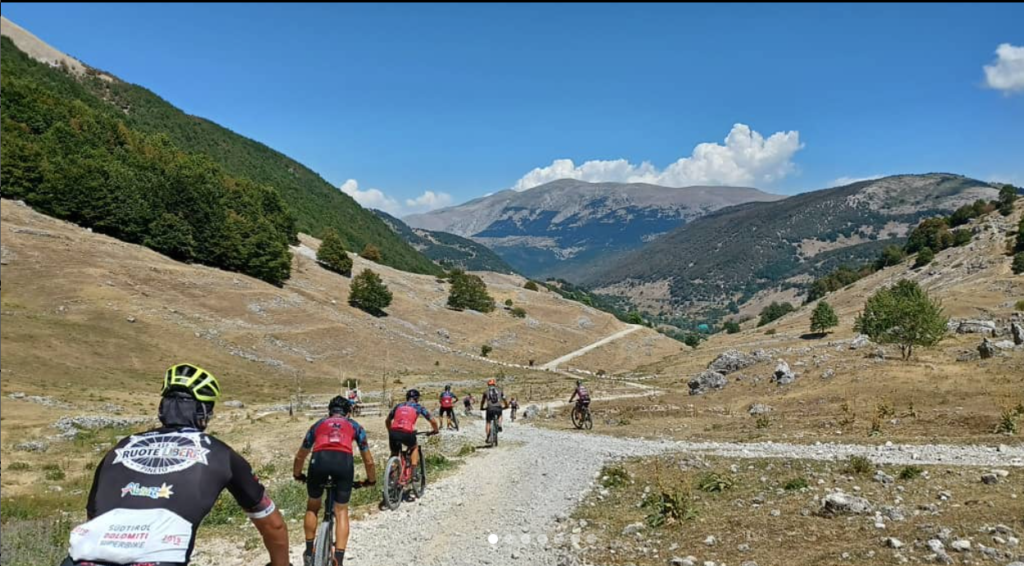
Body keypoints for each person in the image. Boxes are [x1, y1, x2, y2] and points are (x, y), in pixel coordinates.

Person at [61, 363, 290, 566]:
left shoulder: (120, 447)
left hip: (84, 556)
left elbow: (95, 514)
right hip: (158, 556)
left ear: (162, 407)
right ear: (203, 412)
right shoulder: (221, 453)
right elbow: (273, 525)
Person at [293, 396, 375, 566]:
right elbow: (368, 460)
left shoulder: (318, 424)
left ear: (329, 411)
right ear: (348, 412)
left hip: (319, 461)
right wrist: (370, 480)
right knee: (341, 511)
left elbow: (301, 455)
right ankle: (339, 558)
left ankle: (309, 551)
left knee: (313, 506)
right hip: (343, 463)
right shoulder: (355, 426)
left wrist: (298, 474)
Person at [385, 389, 438, 499]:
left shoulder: (398, 405)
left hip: (394, 432)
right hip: (407, 432)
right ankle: (413, 472)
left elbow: (387, 420)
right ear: (417, 398)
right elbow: (432, 421)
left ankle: (390, 475)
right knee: (414, 447)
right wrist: (435, 430)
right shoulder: (418, 407)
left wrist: (391, 431)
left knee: (395, 452)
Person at [480, 379, 508, 443]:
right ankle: (499, 424)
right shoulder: (500, 390)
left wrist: (481, 407)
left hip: (489, 408)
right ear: (494, 384)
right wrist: (506, 406)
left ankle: (488, 437)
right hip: (498, 408)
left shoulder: (486, 391)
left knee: (488, 422)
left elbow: (483, 401)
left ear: (488, 385)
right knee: (500, 415)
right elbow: (504, 399)